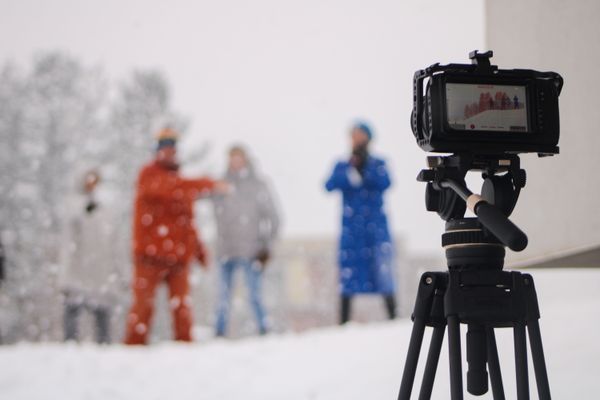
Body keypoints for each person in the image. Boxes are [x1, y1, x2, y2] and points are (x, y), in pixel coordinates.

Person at [124, 128, 228, 345]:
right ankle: (133, 349)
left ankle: (184, 348)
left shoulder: (180, 184)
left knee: (182, 307)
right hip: (149, 256)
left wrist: (199, 251)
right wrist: (207, 184)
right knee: (142, 309)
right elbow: (169, 189)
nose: (169, 153)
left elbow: (187, 222)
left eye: (172, 148)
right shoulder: (149, 176)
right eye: (165, 148)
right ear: (157, 151)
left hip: (177, 257)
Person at [325, 121, 397, 324]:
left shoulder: (378, 164)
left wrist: (366, 170)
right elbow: (329, 185)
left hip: (375, 230)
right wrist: (350, 170)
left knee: (382, 272)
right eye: (353, 136)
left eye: (360, 136)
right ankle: (343, 322)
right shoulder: (342, 165)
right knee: (348, 275)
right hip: (351, 231)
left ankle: (393, 318)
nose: (357, 140)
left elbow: (386, 183)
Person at [212, 145, 280, 337]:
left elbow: (274, 217)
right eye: (232, 158)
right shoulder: (220, 184)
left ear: (245, 159)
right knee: (222, 296)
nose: (235, 162)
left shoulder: (258, 185)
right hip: (226, 249)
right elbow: (199, 194)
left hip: (252, 250)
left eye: (238, 158)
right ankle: (219, 332)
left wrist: (266, 246)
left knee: (255, 295)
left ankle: (264, 329)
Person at [60, 169, 117, 344]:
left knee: (101, 312)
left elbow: (110, 242)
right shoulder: (73, 207)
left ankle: (104, 344)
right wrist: (65, 275)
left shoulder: (104, 207)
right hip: (78, 268)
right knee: (73, 309)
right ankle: (70, 345)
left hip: (99, 270)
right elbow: (68, 243)